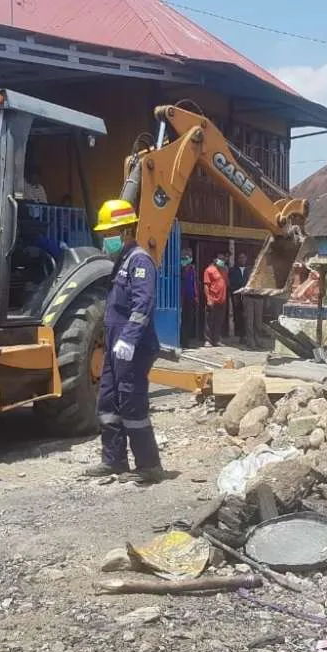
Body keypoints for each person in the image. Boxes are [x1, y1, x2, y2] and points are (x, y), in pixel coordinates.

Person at [82, 199, 165, 485]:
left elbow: (143, 305)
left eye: (111, 233)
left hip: (134, 347)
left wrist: (128, 339)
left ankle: (149, 465)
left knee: (132, 404)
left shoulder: (140, 261)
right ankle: (113, 460)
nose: (107, 240)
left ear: (127, 230)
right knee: (107, 402)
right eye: (105, 234)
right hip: (116, 346)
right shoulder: (122, 260)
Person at [203, 252, 228, 347]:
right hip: (212, 300)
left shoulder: (224, 270)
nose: (222, 261)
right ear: (215, 259)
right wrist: (208, 299)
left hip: (222, 300)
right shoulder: (209, 270)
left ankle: (217, 340)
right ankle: (208, 340)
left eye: (223, 259)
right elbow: (206, 285)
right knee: (209, 321)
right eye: (220, 259)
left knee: (219, 321)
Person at [229, 252, 250, 343]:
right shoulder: (233, 270)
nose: (242, 259)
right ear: (238, 259)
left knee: (247, 316)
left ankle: (247, 336)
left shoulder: (249, 270)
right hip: (237, 295)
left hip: (247, 296)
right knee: (238, 316)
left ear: (246, 259)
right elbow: (231, 282)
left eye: (244, 257)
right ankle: (241, 336)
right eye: (240, 258)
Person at [180, 248, 199, 347]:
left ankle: (186, 341)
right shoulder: (178, 267)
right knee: (181, 319)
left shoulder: (192, 268)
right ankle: (181, 341)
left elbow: (194, 282)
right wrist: (183, 267)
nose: (189, 257)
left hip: (191, 297)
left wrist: (196, 295)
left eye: (190, 256)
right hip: (181, 297)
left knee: (189, 319)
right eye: (187, 255)